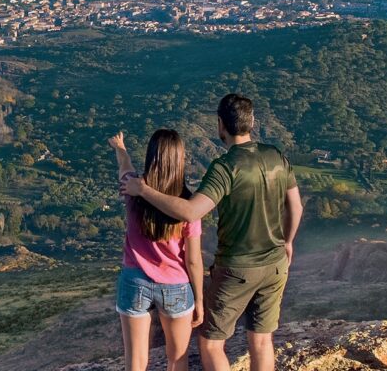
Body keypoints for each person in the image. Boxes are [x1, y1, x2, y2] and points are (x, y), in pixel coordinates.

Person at [121, 94, 304, 371]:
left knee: (211, 342)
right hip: (276, 264)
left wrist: (143, 189)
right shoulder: (276, 156)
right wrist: (288, 241)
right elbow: (296, 206)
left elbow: (191, 212)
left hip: (237, 268)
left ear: (220, 125)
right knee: (263, 340)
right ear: (252, 122)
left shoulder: (225, 168)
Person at [109, 129, 204, 371]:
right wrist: (200, 301)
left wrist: (120, 147)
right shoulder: (188, 206)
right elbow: (193, 261)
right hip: (176, 285)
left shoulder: (132, 190)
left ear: (151, 158)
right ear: (179, 160)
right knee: (177, 359)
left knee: (136, 361)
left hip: (134, 280)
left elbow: (124, 165)